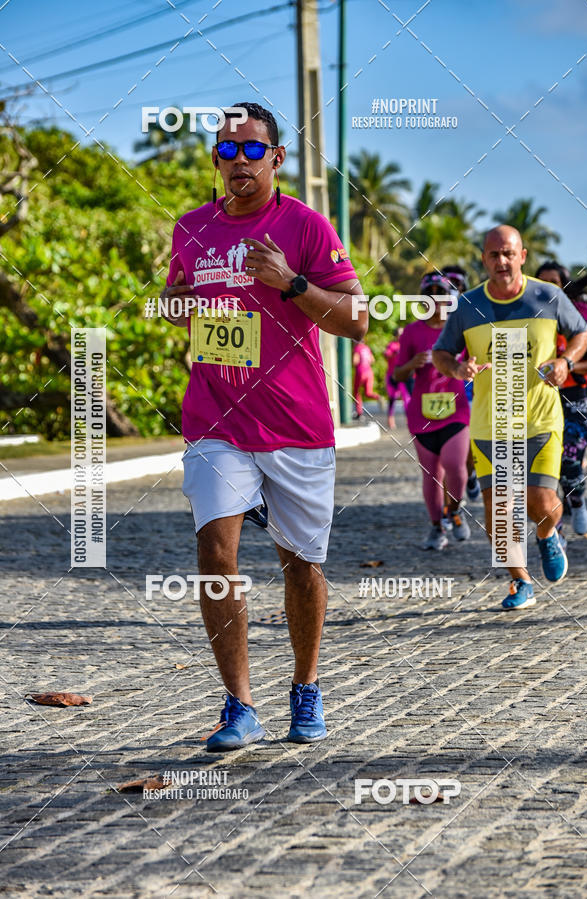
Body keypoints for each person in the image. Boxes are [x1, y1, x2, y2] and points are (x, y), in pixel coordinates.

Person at [160, 102, 367, 750]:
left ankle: (306, 685)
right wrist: (174, 305)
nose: (239, 161)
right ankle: (239, 704)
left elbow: (356, 319)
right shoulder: (191, 228)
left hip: (296, 422)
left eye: (252, 149)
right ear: (215, 159)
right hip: (215, 418)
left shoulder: (305, 226)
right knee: (215, 551)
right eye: (227, 150)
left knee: (300, 564)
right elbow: (175, 299)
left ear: (276, 158)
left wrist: (290, 282)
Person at [433, 226, 587, 610]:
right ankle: (521, 582)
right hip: (491, 424)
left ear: (522, 256)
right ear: (483, 260)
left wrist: (565, 361)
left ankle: (548, 534)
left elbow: (581, 333)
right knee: (499, 515)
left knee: (540, 501)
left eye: (508, 253)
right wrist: (457, 369)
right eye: (493, 255)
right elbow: (441, 353)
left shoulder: (547, 296)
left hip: (539, 419)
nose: (501, 261)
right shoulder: (467, 305)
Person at [393, 272, 471, 550]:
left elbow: (476, 361)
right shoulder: (412, 332)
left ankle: (455, 510)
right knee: (431, 475)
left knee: (455, 466)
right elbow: (397, 375)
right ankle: (437, 527)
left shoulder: (460, 330)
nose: (436, 299)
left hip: (456, 410)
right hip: (422, 414)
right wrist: (412, 363)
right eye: (430, 294)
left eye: (441, 293)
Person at [535, 262, 587, 534]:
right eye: (543, 283)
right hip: (538, 399)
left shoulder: (577, 316)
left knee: (570, 462)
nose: (548, 288)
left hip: (574, 398)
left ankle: (577, 500)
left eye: (554, 282)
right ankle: (556, 529)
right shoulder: (527, 316)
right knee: (545, 467)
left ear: (564, 286)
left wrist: (566, 365)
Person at [442, 265, 481, 502]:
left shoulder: (472, 313)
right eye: (445, 286)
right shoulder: (429, 315)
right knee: (446, 450)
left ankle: (471, 471)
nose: (449, 291)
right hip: (440, 390)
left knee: (469, 443)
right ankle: (450, 510)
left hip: (468, 386)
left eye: (455, 286)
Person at [384, 326, 410, 428]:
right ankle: (390, 419)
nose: (401, 336)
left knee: (406, 398)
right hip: (392, 376)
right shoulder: (392, 345)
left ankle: (409, 420)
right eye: (400, 334)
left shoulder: (407, 345)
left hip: (403, 376)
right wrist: (393, 353)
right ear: (396, 335)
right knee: (392, 398)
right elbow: (386, 354)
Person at [352, 340, 380, 419]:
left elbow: (355, 361)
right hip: (369, 372)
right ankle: (378, 397)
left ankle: (359, 412)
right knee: (368, 393)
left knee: (357, 392)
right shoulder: (367, 348)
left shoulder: (357, 348)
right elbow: (372, 360)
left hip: (360, 373)